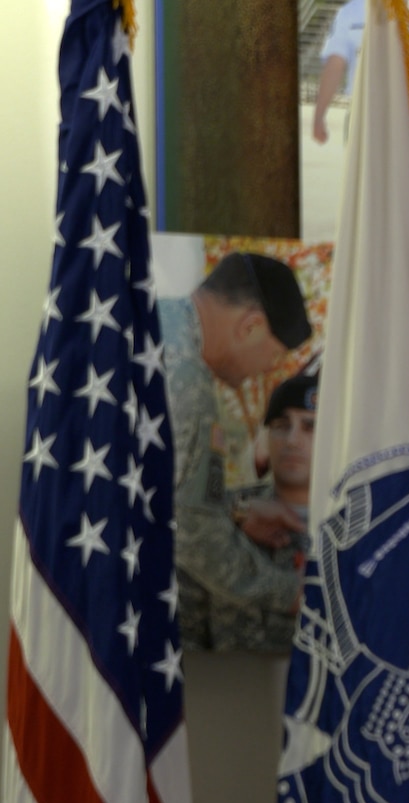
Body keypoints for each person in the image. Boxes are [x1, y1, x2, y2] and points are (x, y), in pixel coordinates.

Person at [161, 253, 312, 652]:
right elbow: (194, 537)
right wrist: (290, 593)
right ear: (250, 327)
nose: (266, 371)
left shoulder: (150, 323)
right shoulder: (188, 383)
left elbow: (159, 501)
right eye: (274, 355)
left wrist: (236, 513)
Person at [222, 372, 318, 649]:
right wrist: (236, 515)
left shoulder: (362, 523)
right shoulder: (228, 510)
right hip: (225, 681)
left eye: (310, 427)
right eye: (280, 425)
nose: (292, 440)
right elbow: (180, 522)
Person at [310, 0, 409, 145]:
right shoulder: (349, 13)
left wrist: (319, 116)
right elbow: (334, 65)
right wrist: (318, 116)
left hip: (402, 116)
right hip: (368, 114)